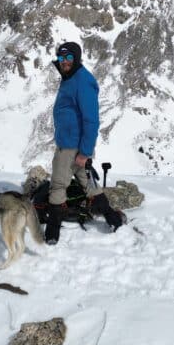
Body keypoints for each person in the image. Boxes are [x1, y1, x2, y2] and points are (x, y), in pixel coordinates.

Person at [45, 40, 119, 244]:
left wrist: (85, 152)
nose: (64, 61)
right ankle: (113, 220)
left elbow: (91, 120)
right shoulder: (71, 77)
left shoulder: (81, 80)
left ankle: (52, 233)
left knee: (58, 186)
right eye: (61, 58)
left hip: (71, 147)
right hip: (74, 146)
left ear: (76, 58)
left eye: (69, 57)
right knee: (89, 185)